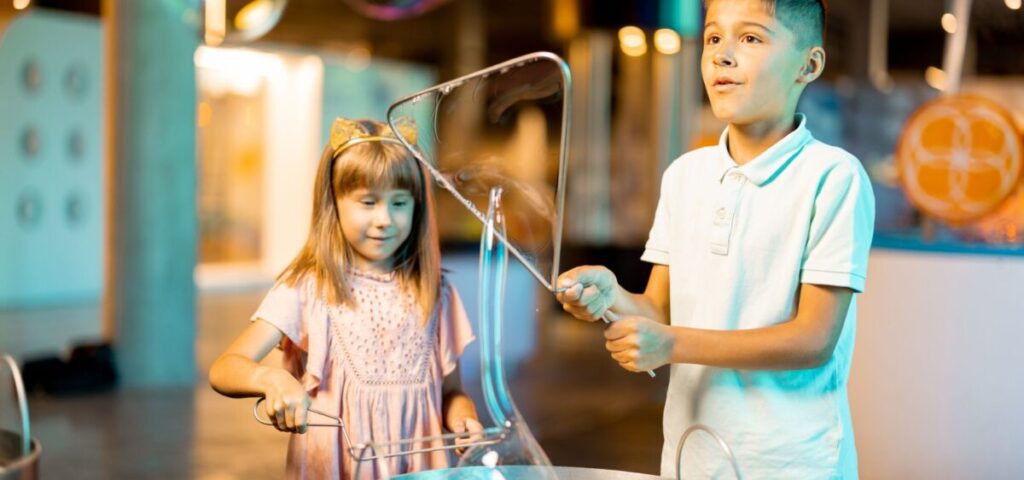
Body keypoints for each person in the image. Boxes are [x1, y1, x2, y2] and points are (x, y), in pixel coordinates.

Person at [557, 1, 875, 478]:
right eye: (712, 38)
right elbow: (658, 311)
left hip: (794, 463)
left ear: (808, 65)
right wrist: (612, 297)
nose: (722, 56)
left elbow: (813, 339)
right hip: (691, 456)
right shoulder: (685, 174)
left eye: (750, 38)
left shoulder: (833, 177)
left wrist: (671, 344)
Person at [209, 117, 482, 479]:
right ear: (333, 204)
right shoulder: (308, 288)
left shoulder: (437, 293)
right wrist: (270, 380)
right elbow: (225, 367)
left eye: (399, 203)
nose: (385, 219)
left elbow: (451, 391)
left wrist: (464, 416)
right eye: (368, 202)